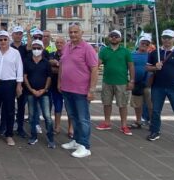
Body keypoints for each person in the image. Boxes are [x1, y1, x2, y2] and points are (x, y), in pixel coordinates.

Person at [59, 23, 99, 159]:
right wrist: (60, 82)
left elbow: (94, 69)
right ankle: (76, 140)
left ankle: (85, 146)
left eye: (76, 32)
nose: (73, 35)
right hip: (67, 89)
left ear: (81, 32)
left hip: (81, 90)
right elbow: (62, 65)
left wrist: (92, 89)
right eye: (71, 32)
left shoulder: (87, 49)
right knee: (73, 116)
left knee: (83, 119)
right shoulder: (66, 47)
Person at [96, 29, 135, 136]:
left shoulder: (126, 51)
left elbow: (131, 66)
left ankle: (124, 125)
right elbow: (97, 64)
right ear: (109, 38)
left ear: (120, 38)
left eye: (116, 36)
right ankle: (107, 122)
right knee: (106, 103)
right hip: (107, 81)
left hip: (122, 82)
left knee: (122, 104)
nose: (114, 38)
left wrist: (131, 81)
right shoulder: (104, 51)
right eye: (112, 36)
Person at [24, 39, 54, 147]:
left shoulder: (46, 62)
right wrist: (31, 90)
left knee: (47, 116)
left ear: (42, 49)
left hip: (44, 93)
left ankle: (50, 138)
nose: (36, 50)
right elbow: (25, 77)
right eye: (34, 48)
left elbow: (49, 77)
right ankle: (33, 137)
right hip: (31, 92)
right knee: (32, 116)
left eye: (38, 48)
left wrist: (44, 89)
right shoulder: (27, 62)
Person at [49, 36, 72, 138]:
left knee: (69, 108)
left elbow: (69, 70)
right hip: (54, 85)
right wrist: (58, 68)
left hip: (68, 85)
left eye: (61, 42)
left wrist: (58, 68)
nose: (59, 44)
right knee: (57, 107)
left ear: (65, 44)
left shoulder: (69, 55)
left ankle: (71, 128)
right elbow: (49, 68)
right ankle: (57, 127)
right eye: (57, 42)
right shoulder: (51, 55)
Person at [131, 33, 153, 129]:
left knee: (150, 104)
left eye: (147, 44)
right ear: (139, 43)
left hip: (148, 84)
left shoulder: (152, 56)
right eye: (143, 43)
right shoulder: (131, 54)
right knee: (137, 104)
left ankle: (153, 122)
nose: (144, 45)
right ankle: (138, 121)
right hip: (136, 83)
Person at [10, 25, 28, 137]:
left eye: (20, 33)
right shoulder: (8, 47)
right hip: (11, 79)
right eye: (16, 33)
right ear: (12, 35)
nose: (18, 35)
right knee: (9, 105)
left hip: (22, 80)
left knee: (21, 106)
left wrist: (29, 32)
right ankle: (9, 126)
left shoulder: (26, 48)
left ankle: (20, 128)